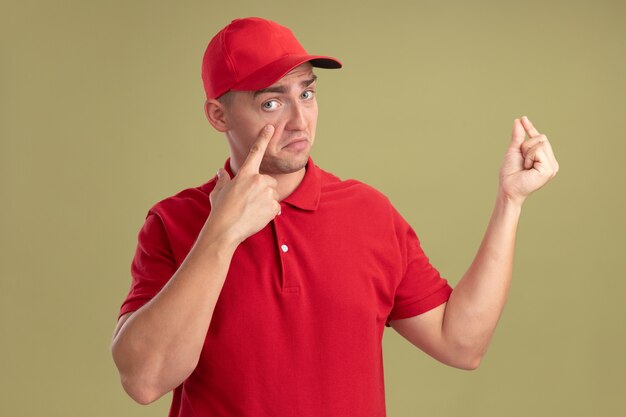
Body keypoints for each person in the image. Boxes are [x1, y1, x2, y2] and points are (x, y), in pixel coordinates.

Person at [111, 17, 559, 417]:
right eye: (271, 103)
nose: (299, 121)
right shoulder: (174, 222)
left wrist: (510, 202)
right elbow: (145, 380)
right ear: (217, 114)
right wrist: (220, 235)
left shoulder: (369, 213)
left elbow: (460, 344)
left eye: (306, 93)